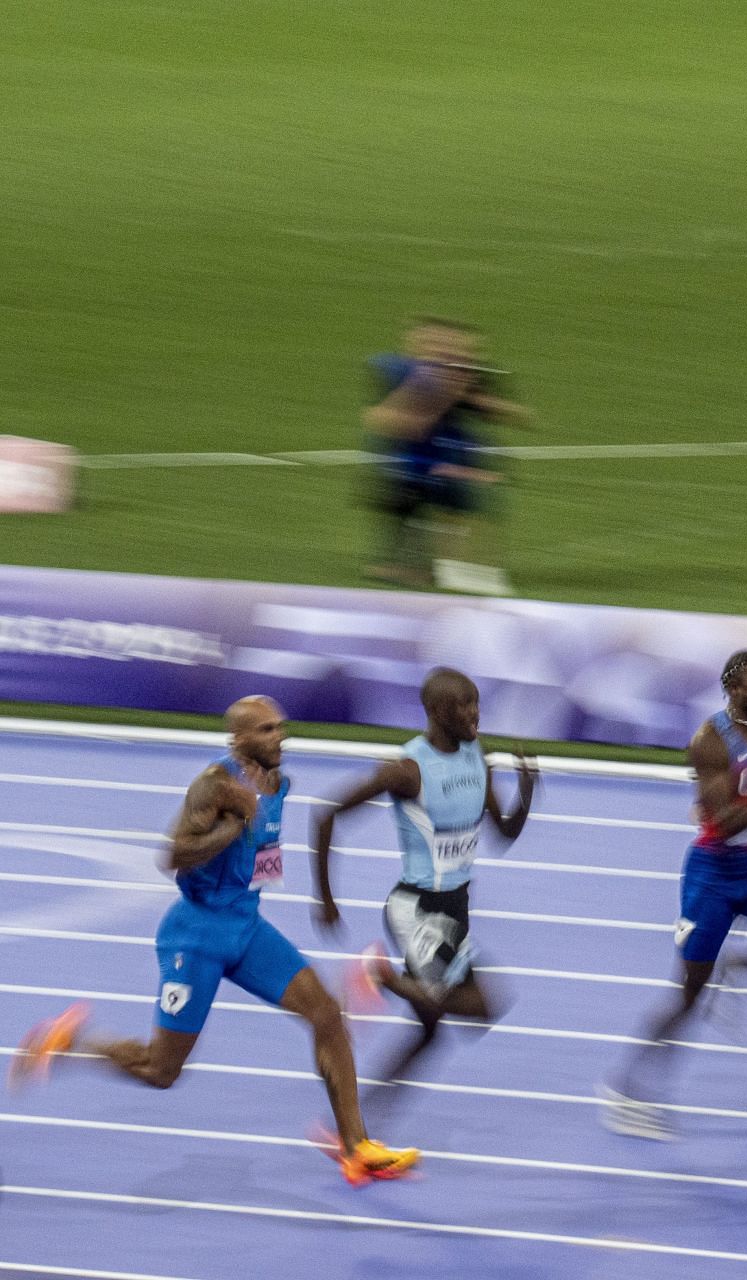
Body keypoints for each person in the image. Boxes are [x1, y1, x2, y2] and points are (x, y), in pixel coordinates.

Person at [9, 697, 420, 1185]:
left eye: (281, 728)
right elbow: (173, 855)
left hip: (245, 927)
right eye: (266, 730)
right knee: (162, 1072)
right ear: (239, 740)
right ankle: (72, 1041)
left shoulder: (279, 784)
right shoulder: (213, 785)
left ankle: (356, 1148)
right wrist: (231, 828)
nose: (279, 737)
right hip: (196, 936)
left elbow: (264, 857)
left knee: (327, 1016)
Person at [601, 651, 747, 1139]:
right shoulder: (710, 743)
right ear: (733, 691)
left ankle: (740, 968)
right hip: (713, 880)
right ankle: (626, 1091)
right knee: (688, 997)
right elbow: (724, 821)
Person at [309, 668, 536, 1110]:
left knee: (431, 1033)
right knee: (482, 1007)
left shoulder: (478, 759)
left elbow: (504, 834)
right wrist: (326, 900)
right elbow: (326, 814)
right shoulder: (408, 770)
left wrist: (526, 794)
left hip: (454, 909)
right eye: (463, 705)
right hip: (417, 910)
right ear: (434, 711)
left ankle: (360, 1125)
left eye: (476, 702)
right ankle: (378, 974)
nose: (475, 713)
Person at [363, 317, 531, 595]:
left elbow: (516, 414)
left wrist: (479, 400)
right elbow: (387, 420)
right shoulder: (405, 373)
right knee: (405, 502)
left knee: (452, 508)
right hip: (415, 457)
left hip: (448, 454)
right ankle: (412, 566)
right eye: (431, 343)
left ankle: (445, 567)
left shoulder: (472, 376)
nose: (448, 353)